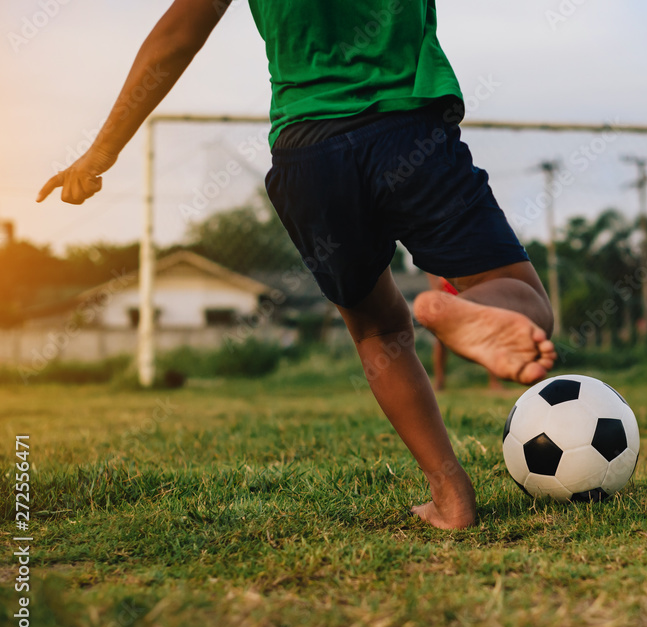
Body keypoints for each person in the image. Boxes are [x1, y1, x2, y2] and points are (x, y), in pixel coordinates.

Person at [36, 0, 556, 530]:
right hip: (408, 126)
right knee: (519, 294)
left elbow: (177, 34)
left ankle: (451, 496)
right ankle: (473, 306)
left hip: (309, 154)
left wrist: (101, 151)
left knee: (378, 330)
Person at [425, 274, 503, 392]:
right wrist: (435, 286)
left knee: (487, 333)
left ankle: (494, 382)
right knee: (440, 339)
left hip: (472, 284)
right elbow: (428, 262)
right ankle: (439, 382)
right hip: (447, 286)